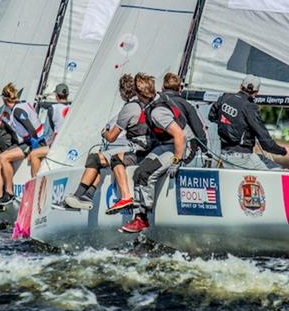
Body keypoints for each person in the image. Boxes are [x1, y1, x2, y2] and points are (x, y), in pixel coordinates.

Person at [119, 72, 208, 233]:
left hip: (182, 147)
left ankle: (142, 219)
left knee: (145, 173)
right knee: (139, 172)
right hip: (169, 144)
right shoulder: (156, 100)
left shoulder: (156, 112)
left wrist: (177, 161)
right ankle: (140, 215)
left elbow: (179, 135)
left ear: (140, 94)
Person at [63, 74, 151, 210]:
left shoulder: (129, 108)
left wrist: (104, 132)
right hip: (146, 149)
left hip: (137, 151)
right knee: (102, 159)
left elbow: (111, 137)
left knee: (95, 158)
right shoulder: (146, 103)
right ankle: (86, 197)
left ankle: (78, 195)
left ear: (122, 92)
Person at [208, 74, 288, 170]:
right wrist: (283, 151)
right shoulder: (250, 107)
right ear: (256, 92)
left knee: (262, 159)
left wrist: (230, 122)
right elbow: (267, 145)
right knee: (279, 170)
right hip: (243, 158)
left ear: (241, 85)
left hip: (224, 154)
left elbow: (211, 116)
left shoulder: (225, 97)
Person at [0, 83, 45, 206]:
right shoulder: (23, 103)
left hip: (35, 141)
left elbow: (31, 129)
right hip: (29, 141)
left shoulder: (17, 111)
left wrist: (35, 148)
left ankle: (9, 193)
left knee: (4, 158)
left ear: (5, 100)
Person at [28, 82, 70, 177]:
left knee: (34, 154)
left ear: (56, 95)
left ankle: (36, 184)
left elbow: (48, 132)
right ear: (67, 95)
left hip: (58, 145)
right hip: (69, 145)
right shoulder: (72, 108)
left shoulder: (52, 109)